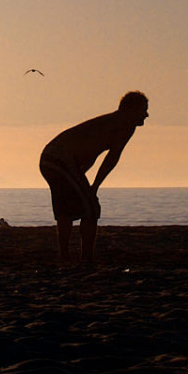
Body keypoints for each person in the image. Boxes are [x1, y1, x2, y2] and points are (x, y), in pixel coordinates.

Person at [39, 91, 149, 264]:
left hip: (52, 159)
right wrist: (95, 186)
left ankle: (66, 256)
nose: (146, 114)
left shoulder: (116, 121)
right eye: (143, 110)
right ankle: (84, 257)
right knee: (90, 208)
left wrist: (91, 183)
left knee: (67, 208)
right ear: (131, 110)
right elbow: (112, 158)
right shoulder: (125, 124)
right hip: (60, 160)